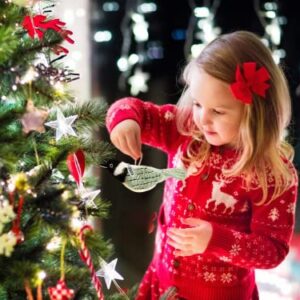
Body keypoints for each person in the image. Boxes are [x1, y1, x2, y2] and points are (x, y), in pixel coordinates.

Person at [105, 31, 299, 300]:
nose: (202, 119)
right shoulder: (186, 131)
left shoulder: (271, 175)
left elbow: (272, 251)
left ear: (254, 112)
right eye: (197, 103)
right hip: (162, 284)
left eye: (218, 111)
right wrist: (126, 121)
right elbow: (133, 108)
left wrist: (216, 240)